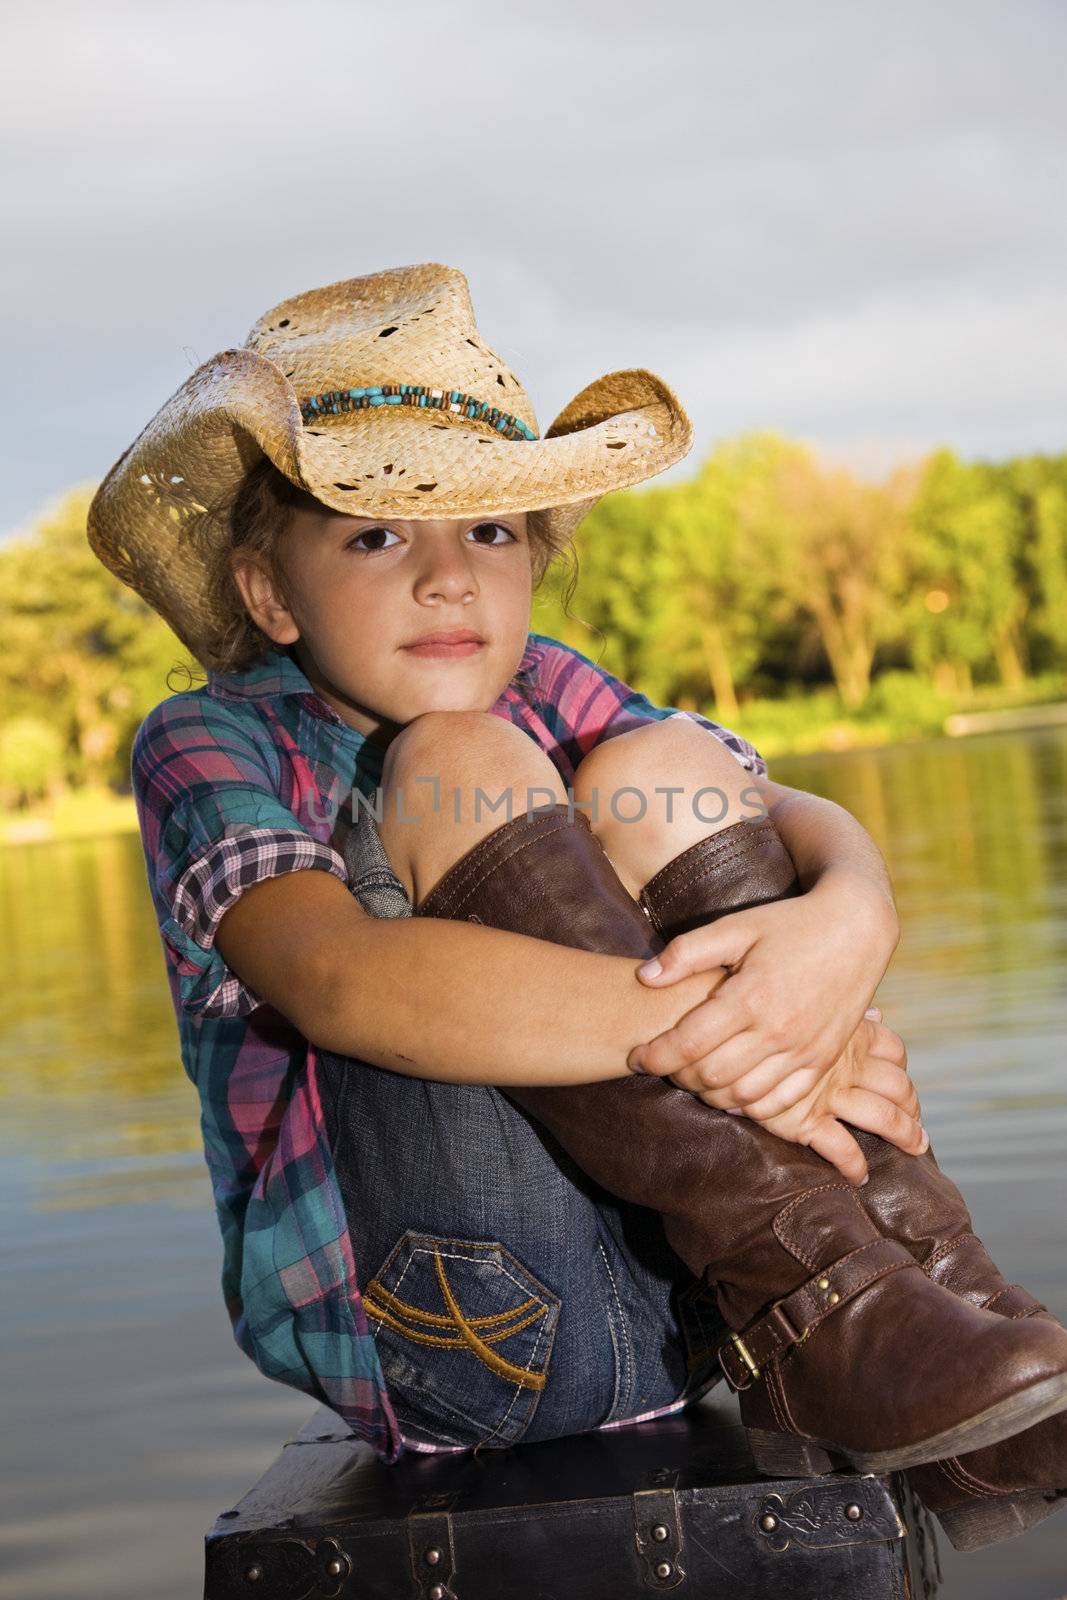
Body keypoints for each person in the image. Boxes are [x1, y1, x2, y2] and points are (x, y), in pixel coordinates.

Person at [87, 263, 1066, 1552]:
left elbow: (781, 811)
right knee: (460, 761)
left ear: (536, 555)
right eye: (378, 535)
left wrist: (840, 934)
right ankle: (826, 1292)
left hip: (691, 1300)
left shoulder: (553, 680)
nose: (449, 579)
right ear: (272, 592)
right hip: (468, 1327)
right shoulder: (208, 740)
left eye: (488, 531)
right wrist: (753, 1036)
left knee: (662, 769)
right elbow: (336, 981)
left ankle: (924, 1287)